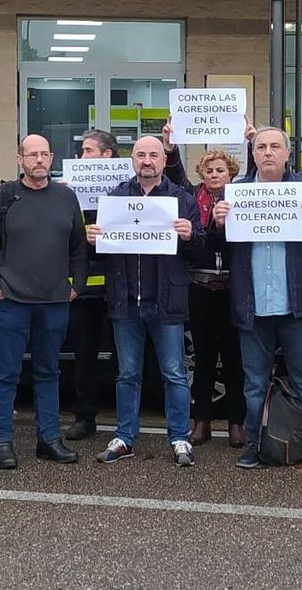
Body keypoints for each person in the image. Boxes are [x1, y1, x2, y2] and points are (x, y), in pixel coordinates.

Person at [210, 127, 302, 470]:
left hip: (294, 303)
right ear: (252, 155)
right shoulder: (235, 192)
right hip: (251, 304)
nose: (268, 152)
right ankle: (255, 443)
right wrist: (217, 224)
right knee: (254, 381)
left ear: (286, 153)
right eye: (261, 147)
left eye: (275, 146)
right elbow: (216, 247)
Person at [0, 134, 88, 470]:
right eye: (32, 154)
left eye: (44, 154)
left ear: (51, 158)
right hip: (11, 300)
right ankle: (2, 441)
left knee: (48, 371)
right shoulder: (4, 197)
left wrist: (77, 286)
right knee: (5, 373)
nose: (39, 160)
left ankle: (49, 439)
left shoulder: (66, 198)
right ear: (19, 159)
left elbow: (79, 248)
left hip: (54, 302)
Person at [88, 135, 202, 467]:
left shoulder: (182, 198)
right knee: (127, 374)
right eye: (141, 155)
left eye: (154, 154)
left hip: (166, 300)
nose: (147, 160)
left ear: (163, 161)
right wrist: (93, 238)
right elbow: (101, 253)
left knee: (174, 373)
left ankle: (179, 437)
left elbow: (201, 251)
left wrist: (191, 235)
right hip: (125, 301)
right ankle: (125, 436)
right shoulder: (115, 198)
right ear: (132, 160)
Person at [186, 148, 246, 448]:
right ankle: (201, 422)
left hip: (232, 290)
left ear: (231, 173)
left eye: (220, 170)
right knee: (204, 360)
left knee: (235, 361)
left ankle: (237, 424)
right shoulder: (191, 200)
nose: (214, 175)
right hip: (200, 288)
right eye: (209, 171)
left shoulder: (243, 198)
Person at [65, 128, 118, 442]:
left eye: (87, 150)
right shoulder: (72, 190)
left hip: (119, 287)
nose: (81, 156)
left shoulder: (125, 188)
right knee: (83, 357)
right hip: (85, 288)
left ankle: (128, 423)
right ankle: (84, 418)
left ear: (106, 155)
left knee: (127, 359)